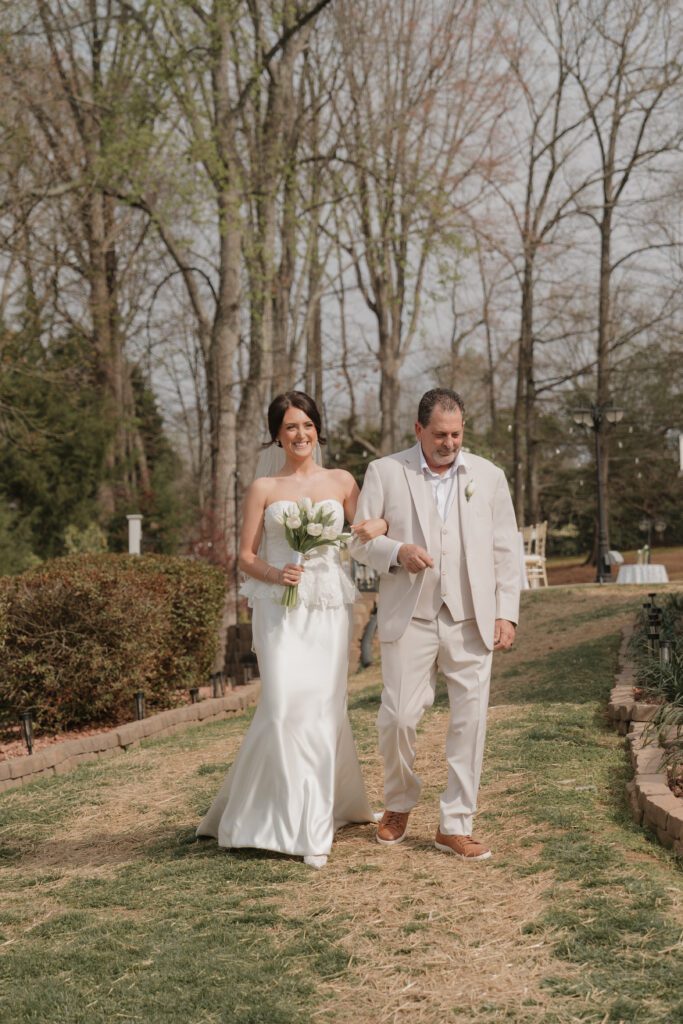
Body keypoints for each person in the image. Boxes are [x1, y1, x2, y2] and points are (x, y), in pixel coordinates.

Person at [197, 391, 387, 869]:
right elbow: (245, 555)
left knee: (323, 708)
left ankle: (314, 822)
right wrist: (274, 573)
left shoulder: (343, 481)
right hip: (279, 607)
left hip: (327, 604)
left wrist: (380, 522)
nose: (300, 435)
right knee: (281, 708)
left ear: (317, 429)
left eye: (306, 425)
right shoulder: (264, 487)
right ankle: (259, 816)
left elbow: (365, 537)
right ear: (277, 435)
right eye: (290, 427)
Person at [348, 387, 520, 860]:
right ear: (418, 430)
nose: (449, 443)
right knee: (399, 717)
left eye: (457, 434)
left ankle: (455, 823)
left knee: (471, 719)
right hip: (411, 614)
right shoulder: (385, 472)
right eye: (440, 434)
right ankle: (399, 802)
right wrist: (396, 552)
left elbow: (506, 549)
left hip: (471, 617)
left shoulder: (488, 476)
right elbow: (359, 542)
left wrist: (507, 611)